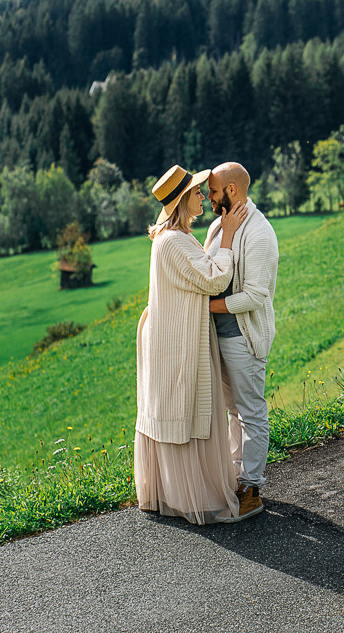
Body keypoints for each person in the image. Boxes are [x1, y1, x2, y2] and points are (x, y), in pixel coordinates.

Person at [134, 163, 252, 524]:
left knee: (178, 409)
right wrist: (229, 235)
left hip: (169, 334)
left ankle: (176, 492)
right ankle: (197, 497)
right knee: (186, 408)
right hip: (176, 340)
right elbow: (215, 279)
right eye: (198, 192)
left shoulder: (174, 239)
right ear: (184, 200)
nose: (204, 195)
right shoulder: (173, 242)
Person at [204, 162, 279, 521]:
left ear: (231, 191)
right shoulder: (218, 225)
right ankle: (237, 479)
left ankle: (251, 490)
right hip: (218, 337)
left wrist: (205, 305)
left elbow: (253, 296)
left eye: (214, 190)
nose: (208, 196)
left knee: (251, 413)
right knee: (233, 412)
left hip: (243, 340)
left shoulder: (261, 234)